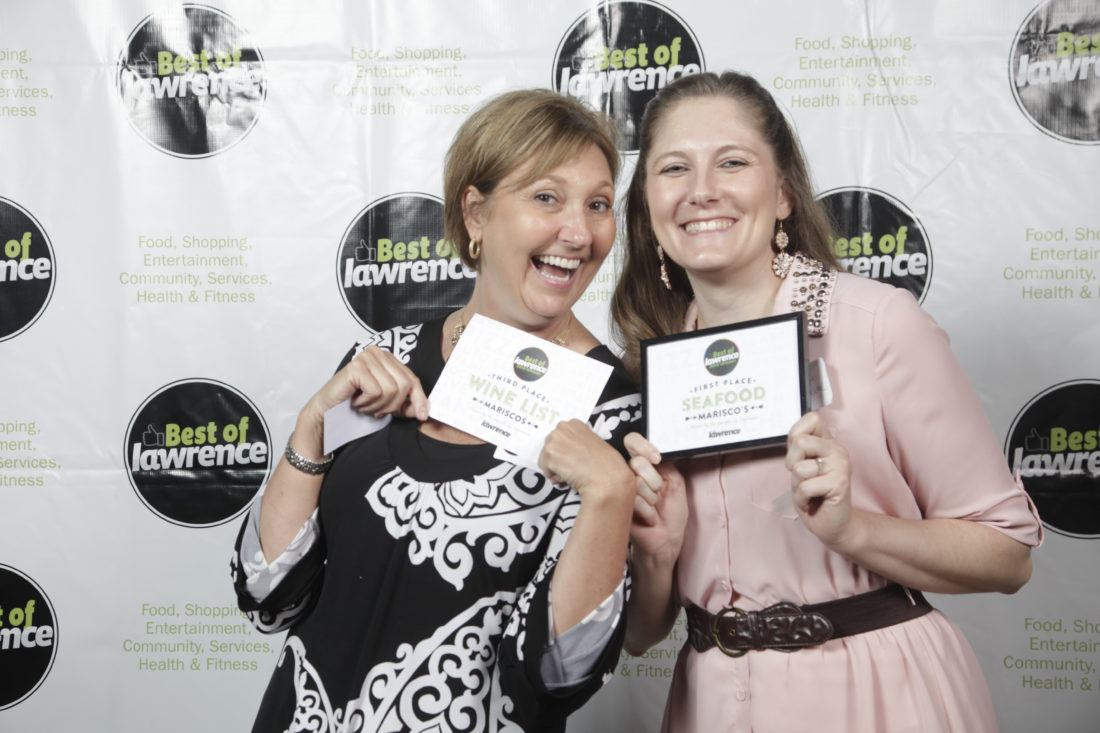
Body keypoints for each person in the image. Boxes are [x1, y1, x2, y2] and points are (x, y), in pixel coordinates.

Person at [610, 71, 1043, 733]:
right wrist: (658, 553)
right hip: (712, 706)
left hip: (878, 698)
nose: (702, 190)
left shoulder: (877, 324)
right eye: (674, 168)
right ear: (648, 205)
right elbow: (642, 636)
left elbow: (1008, 556)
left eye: (732, 162)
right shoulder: (650, 366)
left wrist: (851, 530)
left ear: (783, 193)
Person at [231, 88, 643, 733]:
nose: (578, 232)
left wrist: (611, 494)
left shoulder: (613, 411)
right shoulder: (384, 358)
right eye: (546, 197)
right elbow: (268, 596)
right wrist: (312, 426)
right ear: (475, 214)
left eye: (597, 204)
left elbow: (557, 674)